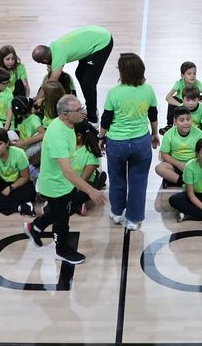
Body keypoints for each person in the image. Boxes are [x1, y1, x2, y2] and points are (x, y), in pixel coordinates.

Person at [25, 94, 105, 266]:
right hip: (56, 185)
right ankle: (62, 250)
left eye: (81, 107)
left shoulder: (66, 124)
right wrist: (90, 191)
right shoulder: (58, 137)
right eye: (78, 110)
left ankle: (35, 227)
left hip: (64, 183)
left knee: (60, 211)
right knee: (62, 220)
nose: (82, 113)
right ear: (64, 114)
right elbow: (68, 171)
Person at [101, 52, 158, 231]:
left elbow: (106, 119)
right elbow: (153, 114)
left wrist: (102, 137)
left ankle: (117, 213)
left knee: (116, 178)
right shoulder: (148, 90)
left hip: (117, 143)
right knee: (139, 180)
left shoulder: (114, 92)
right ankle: (133, 219)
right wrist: (155, 133)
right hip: (141, 142)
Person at [33, 26, 115, 118]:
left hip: (102, 42)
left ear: (44, 61)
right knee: (80, 73)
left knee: (88, 83)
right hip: (95, 34)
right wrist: (36, 98)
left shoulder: (58, 56)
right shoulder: (54, 46)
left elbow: (51, 83)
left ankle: (93, 117)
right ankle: (90, 107)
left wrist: (37, 100)